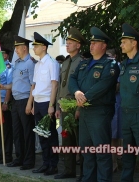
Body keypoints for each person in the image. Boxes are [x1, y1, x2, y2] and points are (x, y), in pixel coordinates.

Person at [68, 27, 120, 182]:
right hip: (84, 112)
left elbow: (103, 85)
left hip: (100, 112)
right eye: (90, 42)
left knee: (102, 152)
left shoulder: (111, 64)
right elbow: (72, 79)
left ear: (103, 46)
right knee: (87, 151)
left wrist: (85, 97)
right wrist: (77, 92)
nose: (91, 45)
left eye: (95, 43)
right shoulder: (84, 63)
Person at [54, 27, 86, 180]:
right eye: (66, 42)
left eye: (71, 42)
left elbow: (83, 87)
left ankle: (84, 172)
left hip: (75, 106)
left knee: (80, 140)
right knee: (67, 139)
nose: (67, 44)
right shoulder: (65, 62)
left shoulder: (82, 62)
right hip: (64, 106)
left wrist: (79, 108)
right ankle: (69, 170)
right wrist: (58, 106)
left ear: (78, 45)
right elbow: (61, 85)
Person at [119, 23, 139, 182]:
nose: (121, 44)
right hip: (126, 114)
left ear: (134, 43)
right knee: (127, 151)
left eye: (124, 41)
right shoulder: (123, 65)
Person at [29, 32, 59, 175]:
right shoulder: (38, 65)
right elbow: (35, 86)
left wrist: (51, 105)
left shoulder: (52, 63)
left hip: (47, 101)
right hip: (38, 101)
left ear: (44, 47)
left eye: (36, 46)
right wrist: (33, 104)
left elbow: (54, 85)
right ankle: (45, 163)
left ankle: (53, 165)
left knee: (51, 135)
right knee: (41, 135)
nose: (33, 48)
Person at [5, 35, 36, 170]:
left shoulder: (30, 63)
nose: (16, 50)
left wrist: (30, 103)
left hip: (25, 100)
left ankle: (29, 160)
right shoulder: (17, 63)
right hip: (16, 101)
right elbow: (14, 83)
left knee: (27, 131)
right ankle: (19, 157)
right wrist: (3, 87)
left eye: (17, 47)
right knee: (17, 131)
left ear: (24, 48)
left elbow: (33, 85)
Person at [106, 48, 122, 173]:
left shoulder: (118, 66)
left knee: (114, 136)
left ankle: (114, 163)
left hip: (115, 103)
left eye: (110, 55)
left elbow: (117, 86)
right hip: (105, 104)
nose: (108, 57)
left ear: (115, 56)